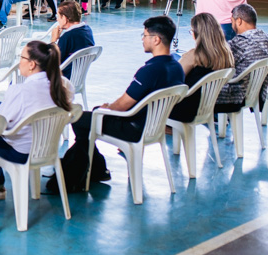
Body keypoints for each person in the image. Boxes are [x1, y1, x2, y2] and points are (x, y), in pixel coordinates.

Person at [68, 16, 185, 184]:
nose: (142, 40)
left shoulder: (149, 71)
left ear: (156, 39)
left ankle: (92, 169)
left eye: (144, 36)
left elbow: (123, 105)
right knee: (91, 117)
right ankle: (92, 168)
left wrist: (105, 108)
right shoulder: (177, 67)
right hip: (155, 125)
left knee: (80, 118)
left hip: (133, 127)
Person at [0, 41, 74, 199]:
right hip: (47, 148)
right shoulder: (62, 87)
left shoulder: (20, 91)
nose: (19, 61)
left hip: (21, 152)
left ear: (31, 64)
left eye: (21, 57)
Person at [169, 12, 235, 123]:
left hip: (186, 107)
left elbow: (173, 79)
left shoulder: (194, 55)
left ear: (196, 34)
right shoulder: (226, 55)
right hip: (208, 106)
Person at [215, 4, 268, 114]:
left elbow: (219, 64)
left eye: (232, 21)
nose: (231, 24)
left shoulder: (239, 43)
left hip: (236, 96)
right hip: (258, 92)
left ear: (239, 21)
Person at [50, 0, 95, 80]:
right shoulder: (88, 30)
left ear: (64, 18)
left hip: (63, 78)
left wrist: (53, 41)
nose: (57, 20)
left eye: (58, 16)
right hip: (78, 78)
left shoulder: (67, 36)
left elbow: (53, 61)